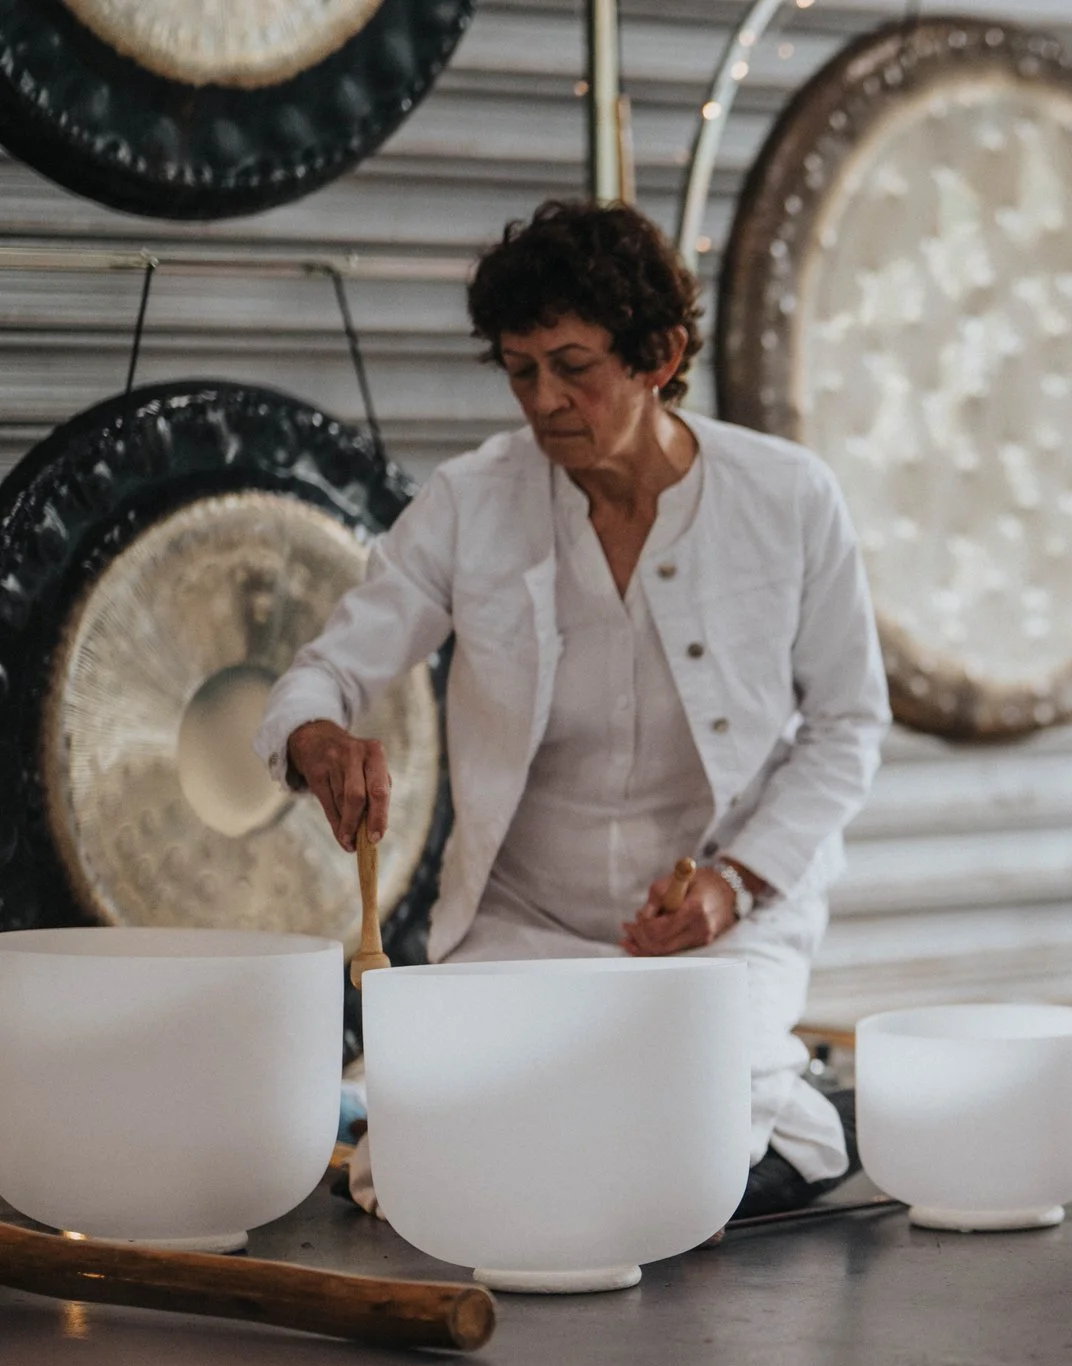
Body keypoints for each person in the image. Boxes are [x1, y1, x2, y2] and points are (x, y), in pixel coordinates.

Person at [256, 200, 891, 1220]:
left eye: (572, 364)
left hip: (720, 933)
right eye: (519, 369)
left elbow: (850, 723)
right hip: (523, 923)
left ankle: (782, 1114)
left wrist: (734, 881)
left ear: (658, 354)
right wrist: (315, 733)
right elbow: (329, 667)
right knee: (419, 1163)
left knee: (666, 1144)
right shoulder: (472, 500)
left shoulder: (790, 497)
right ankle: (790, 1124)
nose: (543, 399)